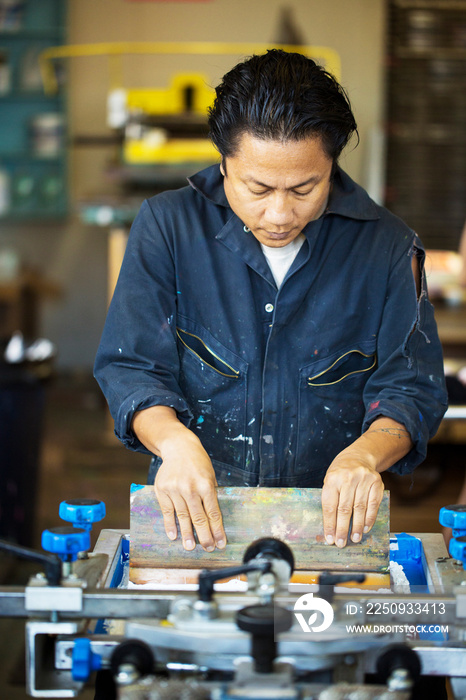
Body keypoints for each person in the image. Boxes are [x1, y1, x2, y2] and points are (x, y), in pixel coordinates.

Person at [94, 49, 447, 555]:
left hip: (334, 529)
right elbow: (131, 367)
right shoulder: (168, 227)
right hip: (196, 518)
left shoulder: (386, 248)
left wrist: (364, 458)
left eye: (304, 188)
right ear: (224, 163)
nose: (280, 214)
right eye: (257, 188)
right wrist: (175, 443)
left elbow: (413, 389)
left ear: (331, 165)